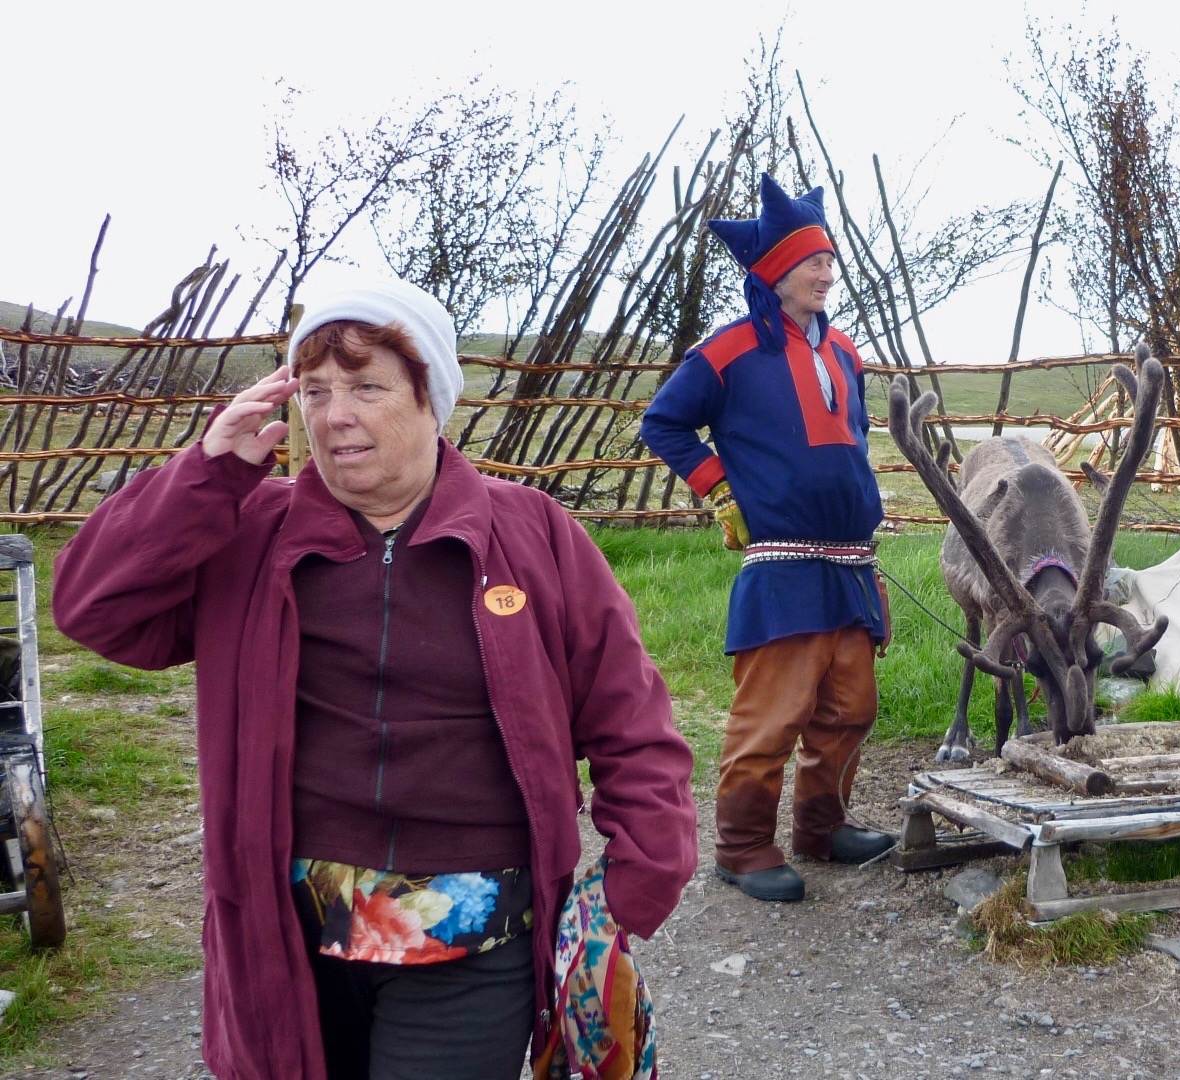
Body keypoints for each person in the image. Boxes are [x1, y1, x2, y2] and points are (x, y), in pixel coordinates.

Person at [53, 277, 698, 1080]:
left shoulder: (532, 534)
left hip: (473, 931)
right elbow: (92, 608)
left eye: (365, 387)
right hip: (288, 939)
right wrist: (210, 473)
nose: (334, 415)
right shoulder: (255, 533)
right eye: (316, 391)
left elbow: (631, 720)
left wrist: (633, 886)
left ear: (432, 399)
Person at [641, 174, 895, 903]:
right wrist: (720, 488)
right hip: (782, 564)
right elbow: (663, 424)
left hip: (850, 563)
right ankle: (744, 846)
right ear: (772, 271)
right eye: (811, 262)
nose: (825, 272)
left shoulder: (845, 351)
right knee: (772, 718)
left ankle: (824, 827)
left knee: (849, 710)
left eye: (828, 260)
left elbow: (852, 438)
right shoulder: (725, 353)